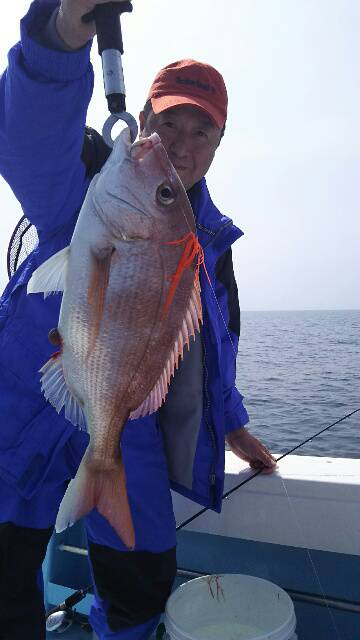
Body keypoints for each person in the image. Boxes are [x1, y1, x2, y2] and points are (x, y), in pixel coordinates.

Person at [0, 1, 276, 638]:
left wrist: (231, 425)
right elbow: (29, 138)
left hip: (128, 428)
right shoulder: (83, 184)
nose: (180, 144)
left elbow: (213, 348)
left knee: (140, 581)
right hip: (26, 416)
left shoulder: (210, 245)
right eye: (169, 121)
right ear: (145, 118)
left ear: (218, 143)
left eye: (200, 131)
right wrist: (61, 36)